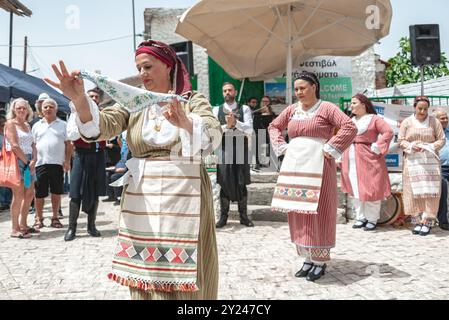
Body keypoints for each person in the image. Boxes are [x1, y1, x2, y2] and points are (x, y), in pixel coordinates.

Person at [46, 39, 221, 300]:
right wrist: (80, 100)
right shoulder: (134, 102)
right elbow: (102, 126)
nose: (142, 74)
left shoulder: (191, 100)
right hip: (143, 197)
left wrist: (185, 122)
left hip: (186, 195)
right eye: (139, 68)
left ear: (168, 66)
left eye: (148, 67)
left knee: (183, 265)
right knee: (146, 267)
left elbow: (213, 133)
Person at [268, 71, 357, 282]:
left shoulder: (327, 108)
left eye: (302, 88)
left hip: (319, 164)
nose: (298, 92)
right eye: (296, 89)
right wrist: (282, 146)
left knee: (319, 209)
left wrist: (332, 147)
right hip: (296, 166)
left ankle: (319, 261)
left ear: (314, 87)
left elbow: (349, 126)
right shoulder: (292, 110)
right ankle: (306, 257)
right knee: (298, 209)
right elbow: (273, 126)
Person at [340, 94, 394, 231]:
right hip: (350, 156)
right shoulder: (350, 121)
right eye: (351, 103)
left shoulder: (374, 119)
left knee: (371, 188)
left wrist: (378, 146)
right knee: (355, 187)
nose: (351, 106)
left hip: (368, 157)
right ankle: (360, 217)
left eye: (354, 103)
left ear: (363, 104)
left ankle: (372, 218)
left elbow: (388, 132)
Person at [64, 89, 107, 241]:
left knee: (94, 191)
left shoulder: (103, 114)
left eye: (96, 97)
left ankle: (91, 226)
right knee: (75, 193)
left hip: (98, 156)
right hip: (81, 156)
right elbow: (72, 135)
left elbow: (110, 133)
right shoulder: (76, 114)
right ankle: (71, 228)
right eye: (91, 96)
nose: (93, 98)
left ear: (99, 100)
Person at [398, 96, 445, 236]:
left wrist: (429, 146)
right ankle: (417, 221)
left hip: (430, 162)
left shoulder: (434, 122)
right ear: (414, 107)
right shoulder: (407, 122)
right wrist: (412, 145)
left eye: (425, 109)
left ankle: (428, 221)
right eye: (420, 108)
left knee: (430, 191)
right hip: (413, 161)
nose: (423, 111)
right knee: (413, 191)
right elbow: (401, 140)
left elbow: (441, 139)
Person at [213, 82, 254, 228]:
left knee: (241, 181)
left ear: (235, 92)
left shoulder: (245, 109)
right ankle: (223, 217)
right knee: (224, 181)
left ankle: (243, 216)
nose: (227, 93)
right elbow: (214, 130)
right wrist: (227, 126)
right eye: (224, 91)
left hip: (240, 148)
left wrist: (236, 123)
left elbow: (249, 129)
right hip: (224, 149)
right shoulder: (216, 109)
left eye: (229, 90)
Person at [32, 98, 71, 230]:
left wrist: (67, 161)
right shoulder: (36, 126)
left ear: (56, 109)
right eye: (45, 107)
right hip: (40, 163)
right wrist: (33, 161)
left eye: (51, 106)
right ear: (41, 110)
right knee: (39, 193)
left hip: (57, 163)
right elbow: (33, 145)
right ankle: (39, 218)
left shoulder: (63, 124)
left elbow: (68, 144)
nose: (48, 109)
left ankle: (55, 217)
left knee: (56, 192)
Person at [4, 98, 38, 238]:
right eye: (19, 108)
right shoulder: (10, 124)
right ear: (13, 109)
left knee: (29, 194)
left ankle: (24, 225)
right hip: (18, 162)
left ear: (28, 110)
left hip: (29, 162)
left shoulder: (27, 125)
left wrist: (34, 160)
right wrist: (26, 161)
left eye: (24, 108)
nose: (22, 110)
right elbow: (14, 145)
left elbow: (33, 145)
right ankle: (14, 228)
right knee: (18, 195)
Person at [433, 108, 449, 231]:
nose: (445, 120)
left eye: (446, 117)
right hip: (440, 168)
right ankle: (443, 220)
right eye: (442, 118)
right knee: (443, 192)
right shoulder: (432, 134)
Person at [0, 115, 12, 211]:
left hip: (7, 161)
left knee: (6, 183)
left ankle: (5, 202)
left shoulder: (6, 135)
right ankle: (4, 202)